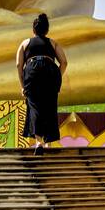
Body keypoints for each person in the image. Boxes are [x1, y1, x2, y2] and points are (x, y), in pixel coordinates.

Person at [17, 13, 67, 150]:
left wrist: (23, 86)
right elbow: (64, 62)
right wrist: (58, 77)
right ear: (47, 30)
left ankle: (39, 141)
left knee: (35, 107)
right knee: (50, 107)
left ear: (33, 30)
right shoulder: (52, 42)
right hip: (50, 70)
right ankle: (48, 143)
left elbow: (18, 65)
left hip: (32, 72)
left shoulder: (25, 43)